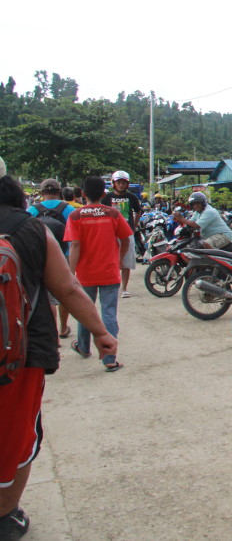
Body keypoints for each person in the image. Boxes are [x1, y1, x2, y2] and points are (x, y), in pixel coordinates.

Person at [0, 170, 117, 540]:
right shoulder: (31, 229)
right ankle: (5, 515)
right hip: (18, 353)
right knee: (17, 434)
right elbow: (66, 289)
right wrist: (100, 333)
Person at [66, 176, 133, 373]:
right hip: (109, 272)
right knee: (109, 313)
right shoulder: (112, 214)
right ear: (104, 194)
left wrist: (71, 272)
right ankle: (110, 359)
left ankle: (84, 347)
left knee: (86, 312)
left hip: (85, 274)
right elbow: (126, 239)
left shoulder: (76, 216)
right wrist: (119, 260)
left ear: (83, 194)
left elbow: (75, 245)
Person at [26, 179, 75, 339]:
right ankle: (63, 328)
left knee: (47, 297)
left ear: (41, 193)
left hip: (39, 256)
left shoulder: (32, 210)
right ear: (59, 192)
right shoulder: (68, 209)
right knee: (65, 293)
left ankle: (51, 331)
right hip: (64, 255)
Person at [100, 170, 141, 298]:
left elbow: (138, 211)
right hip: (111, 233)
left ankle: (124, 288)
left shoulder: (132, 197)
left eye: (124, 183)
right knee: (110, 260)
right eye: (119, 183)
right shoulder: (107, 198)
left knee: (127, 261)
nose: (121, 185)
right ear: (114, 183)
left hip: (127, 232)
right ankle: (110, 285)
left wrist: (134, 225)